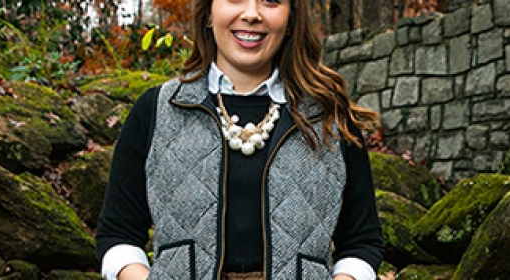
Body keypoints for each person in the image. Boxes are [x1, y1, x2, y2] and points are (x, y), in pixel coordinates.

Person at [95, 0, 384, 279]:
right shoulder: (156, 110)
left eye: (271, 1)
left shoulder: (330, 119)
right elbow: (118, 235)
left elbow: (361, 243)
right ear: (208, 12)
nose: (251, 13)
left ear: (291, 17)